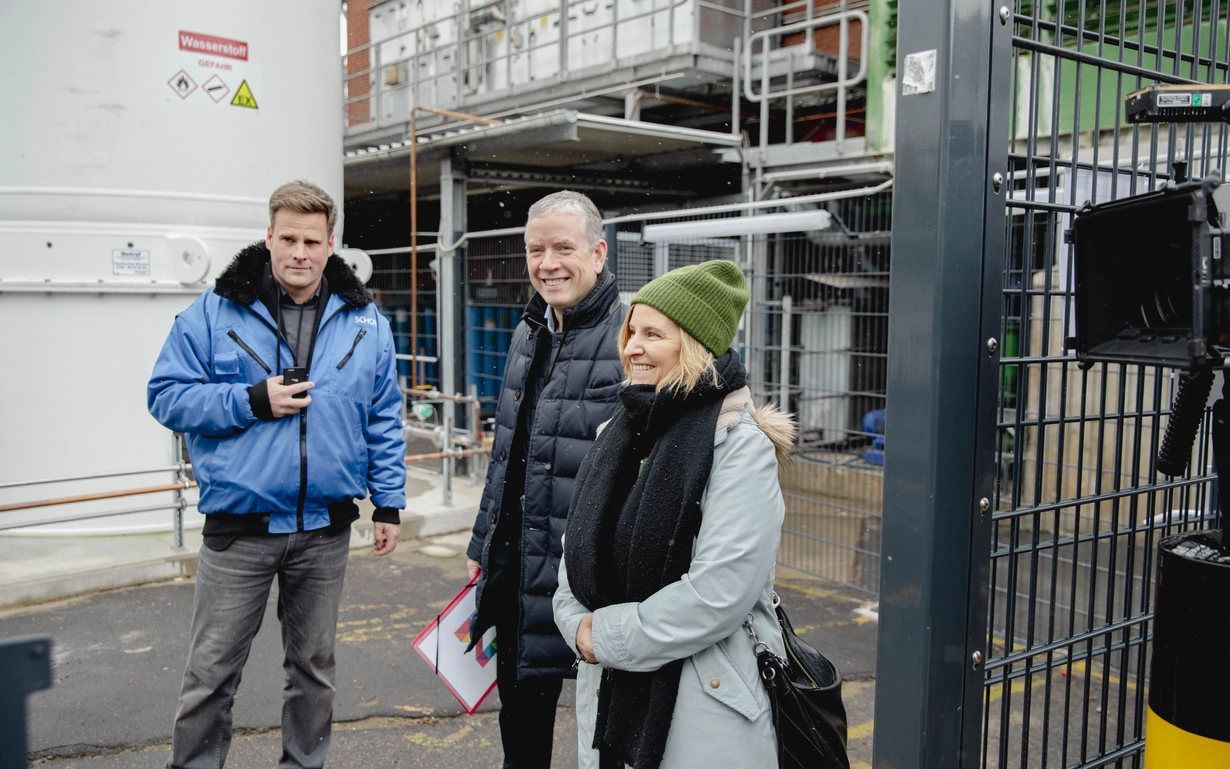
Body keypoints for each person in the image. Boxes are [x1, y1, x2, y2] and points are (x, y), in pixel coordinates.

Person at [148, 180, 406, 769]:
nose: (299, 251)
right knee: (211, 674)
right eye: (287, 237)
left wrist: (388, 503)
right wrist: (249, 401)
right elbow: (166, 396)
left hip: (324, 531)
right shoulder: (214, 313)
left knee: (313, 672)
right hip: (239, 527)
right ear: (268, 237)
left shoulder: (365, 322)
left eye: (311, 241)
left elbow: (384, 414)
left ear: (330, 244)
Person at [553, 260, 796, 769]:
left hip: (705, 706)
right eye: (631, 331)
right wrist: (576, 625)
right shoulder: (616, 437)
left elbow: (720, 593)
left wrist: (602, 636)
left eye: (652, 334)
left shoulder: (738, 448)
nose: (631, 347)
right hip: (611, 692)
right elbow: (574, 565)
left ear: (693, 344)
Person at [464, 190, 627, 768]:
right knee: (523, 726)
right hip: (519, 562)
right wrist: (483, 543)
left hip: (594, 576)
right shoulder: (529, 330)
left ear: (599, 253)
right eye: (537, 250)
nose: (548, 263)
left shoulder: (633, 337)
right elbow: (506, 450)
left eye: (564, 247)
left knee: (607, 731)